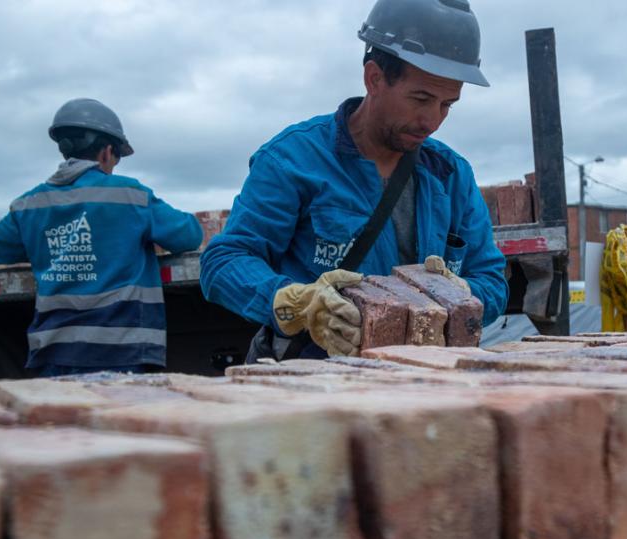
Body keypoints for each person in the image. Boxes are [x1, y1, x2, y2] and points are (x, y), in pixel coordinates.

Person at [200, 0, 507, 359]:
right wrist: (295, 302)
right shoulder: (293, 160)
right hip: (313, 385)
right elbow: (224, 262)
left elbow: (491, 280)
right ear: (374, 78)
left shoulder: (452, 176)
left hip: (424, 384)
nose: (432, 121)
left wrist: (462, 294)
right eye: (420, 99)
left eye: (446, 105)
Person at [0, 98, 203, 376]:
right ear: (106, 152)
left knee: (62, 420)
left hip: (53, 353)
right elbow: (188, 234)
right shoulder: (130, 195)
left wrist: (44, 241)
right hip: (123, 349)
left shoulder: (28, 205)